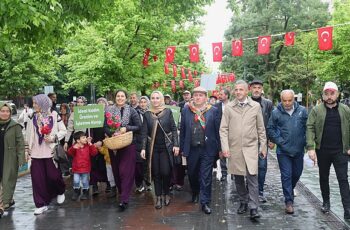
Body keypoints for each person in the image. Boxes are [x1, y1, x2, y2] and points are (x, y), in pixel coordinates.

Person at [220, 80, 267, 220]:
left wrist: (263, 146)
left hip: (251, 148)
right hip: (234, 149)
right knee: (239, 178)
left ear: (247, 91)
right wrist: (225, 148)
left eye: (241, 89)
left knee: (252, 177)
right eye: (236, 90)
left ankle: (254, 207)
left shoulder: (255, 106)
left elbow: (261, 128)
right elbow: (223, 129)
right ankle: (243, 201)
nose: (238, 92)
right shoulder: (229, 107)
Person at [306, 82, 350, 220]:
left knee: (343, 179)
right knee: (323, 177)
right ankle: (326, 202)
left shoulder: (345, 110)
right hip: (323, 150)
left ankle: (347, 208)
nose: (329, 96)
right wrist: (311, 148)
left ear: (337, 94)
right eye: (327, 94)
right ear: (323, 95)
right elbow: (310, 127)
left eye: (332, 93)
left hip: (340, 151)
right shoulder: (316, 110)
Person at [180, 86, 221, 214]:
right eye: (196, 95)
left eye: (201, 95)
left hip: (207, 149)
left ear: (205, 97)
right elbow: (183, 131)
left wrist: (220, 148)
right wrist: (182, 148)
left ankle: (205, 202)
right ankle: (195, 191)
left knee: (206, 176)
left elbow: (218, 130)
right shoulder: (186, 110)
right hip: (192, 149)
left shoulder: (213, 110)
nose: (198, 97)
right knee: (192, 174)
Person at [267, 89, 308, 215]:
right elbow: (270, 129)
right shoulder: (275, 113)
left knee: (296, 174)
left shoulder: (302, 111)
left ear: (294, 99)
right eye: (284, 100)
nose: (287, 103)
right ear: (281, 100)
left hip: (299, 150)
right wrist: (280, 141)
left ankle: (290, 189)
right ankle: (288, 202)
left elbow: (309, 128)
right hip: (283, 151)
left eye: (290, 100)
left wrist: (308, 143)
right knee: (286, 175)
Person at [26, 94, 67, 215]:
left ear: (43, 103)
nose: (34, 106)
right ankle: (41, 204)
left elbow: (63, 130)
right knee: (37, 180)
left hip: (50, 151)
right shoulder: (32, 116)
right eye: (33, 103)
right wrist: (27, 150)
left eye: (36, 103)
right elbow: (28, 134)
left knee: (53, 177)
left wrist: (54, 137)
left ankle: (60, 190)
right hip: (35, 153)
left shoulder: (54, 115)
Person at [140, 91, 179, 209]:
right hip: (153, 148)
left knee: (165, 172)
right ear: (150, 100)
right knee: (156, 173)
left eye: (157, 98)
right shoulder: (147, 114)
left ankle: (166, 193)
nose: (155, 100)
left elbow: (173, 129)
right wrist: (143, 148)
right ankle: (158, 197)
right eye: (153, 98)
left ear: (161, 99)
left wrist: (176, 145)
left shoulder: (168, 112)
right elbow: (144, 132)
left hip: (166, 147)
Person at [104, 90, 141, 212]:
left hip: (128, 145)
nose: (120, 98)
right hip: (114, 145)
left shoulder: (132, 110)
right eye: (118, 96)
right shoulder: (108, 110)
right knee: (116, 172)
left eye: (122, 96)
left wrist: (126, 128)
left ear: (126, 98)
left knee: (125, 172)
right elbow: (104, 126)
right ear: (115, 98)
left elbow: (139, 126)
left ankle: (124, 199)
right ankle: (122, 193)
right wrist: (112, 132)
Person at [249, 79, 274, 202]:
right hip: (247, 141)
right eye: (254, 87)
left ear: (262, 89)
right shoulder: (245, 102)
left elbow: (271, 122)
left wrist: (271, 139)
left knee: (262, 166)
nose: (257, 90)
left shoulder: (268, 104)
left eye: (259, 87)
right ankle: (249, 190)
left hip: (262, 140)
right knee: (248, 166)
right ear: (250, 89)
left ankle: (259, 191)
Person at [0, 102, 25, 213]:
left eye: (7, 111)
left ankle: (4, 203)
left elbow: (20, 143)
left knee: (7, 181)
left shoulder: (15, 126)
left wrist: (21, 159)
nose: (5, 113)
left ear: (10, 113)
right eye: (2, 111)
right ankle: (7, 201)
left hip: (9, 158)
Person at [67, 131, 98, 201]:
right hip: (76, 168)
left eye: (85, 137)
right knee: (76, 180)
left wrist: (91, 144)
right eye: (83, 138)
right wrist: (74, 148)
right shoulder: (75, 146)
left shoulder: (88, 146)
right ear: (78, 140)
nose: (86, 139)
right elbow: (69, 152)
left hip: (85, 168)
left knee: (85, 181)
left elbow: (94, 153)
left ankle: (85, 192)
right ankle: (76, 192)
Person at [89, 98, 109, 195]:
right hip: (93, 143)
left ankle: (109, 184)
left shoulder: (108, 116)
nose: (101, 104)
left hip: (104, 143)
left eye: (103, 103)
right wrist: (91, 141)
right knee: (93, 165)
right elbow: (89, 129)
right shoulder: (92, 115)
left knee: (105, 165)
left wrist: (102, 141)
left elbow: (109, 130)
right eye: (99, 103)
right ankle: (95, 186)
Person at [135, 96, 151, 193]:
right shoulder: (135, 113)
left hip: (149, 142)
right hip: (138, 141)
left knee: (148, 164)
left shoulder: (151, 113)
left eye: (145, 102)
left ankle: (148, 183)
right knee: (139, 165)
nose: (143, 104)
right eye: (141, 102)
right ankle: (139, 184)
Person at [214, 88, 230, 182]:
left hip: (232, 132)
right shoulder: (216, 106)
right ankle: (224, 173)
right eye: (219, 94)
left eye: (222, 94)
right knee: (222, 153)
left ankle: (234, 173)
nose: (219, 96)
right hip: (220, 132)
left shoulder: (233, 105)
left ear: (227, 95)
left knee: (233, 153)